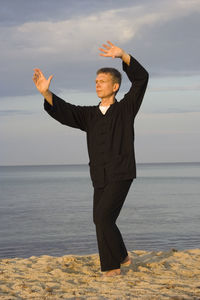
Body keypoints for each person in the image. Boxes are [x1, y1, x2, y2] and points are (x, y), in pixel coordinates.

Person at [33, 41, 149, 276]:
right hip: (99, 175)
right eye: (96, 82)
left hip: (121, 173)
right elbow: (65, 111)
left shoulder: (126, 108)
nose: (97, 85)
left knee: (104, 218)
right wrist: (46, 92)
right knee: (100, 220)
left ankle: (114, 264)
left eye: (102, 81)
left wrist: (124, 56)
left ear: (115, 86)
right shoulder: (89, 115)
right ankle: (118, 260)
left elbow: (141, 79)